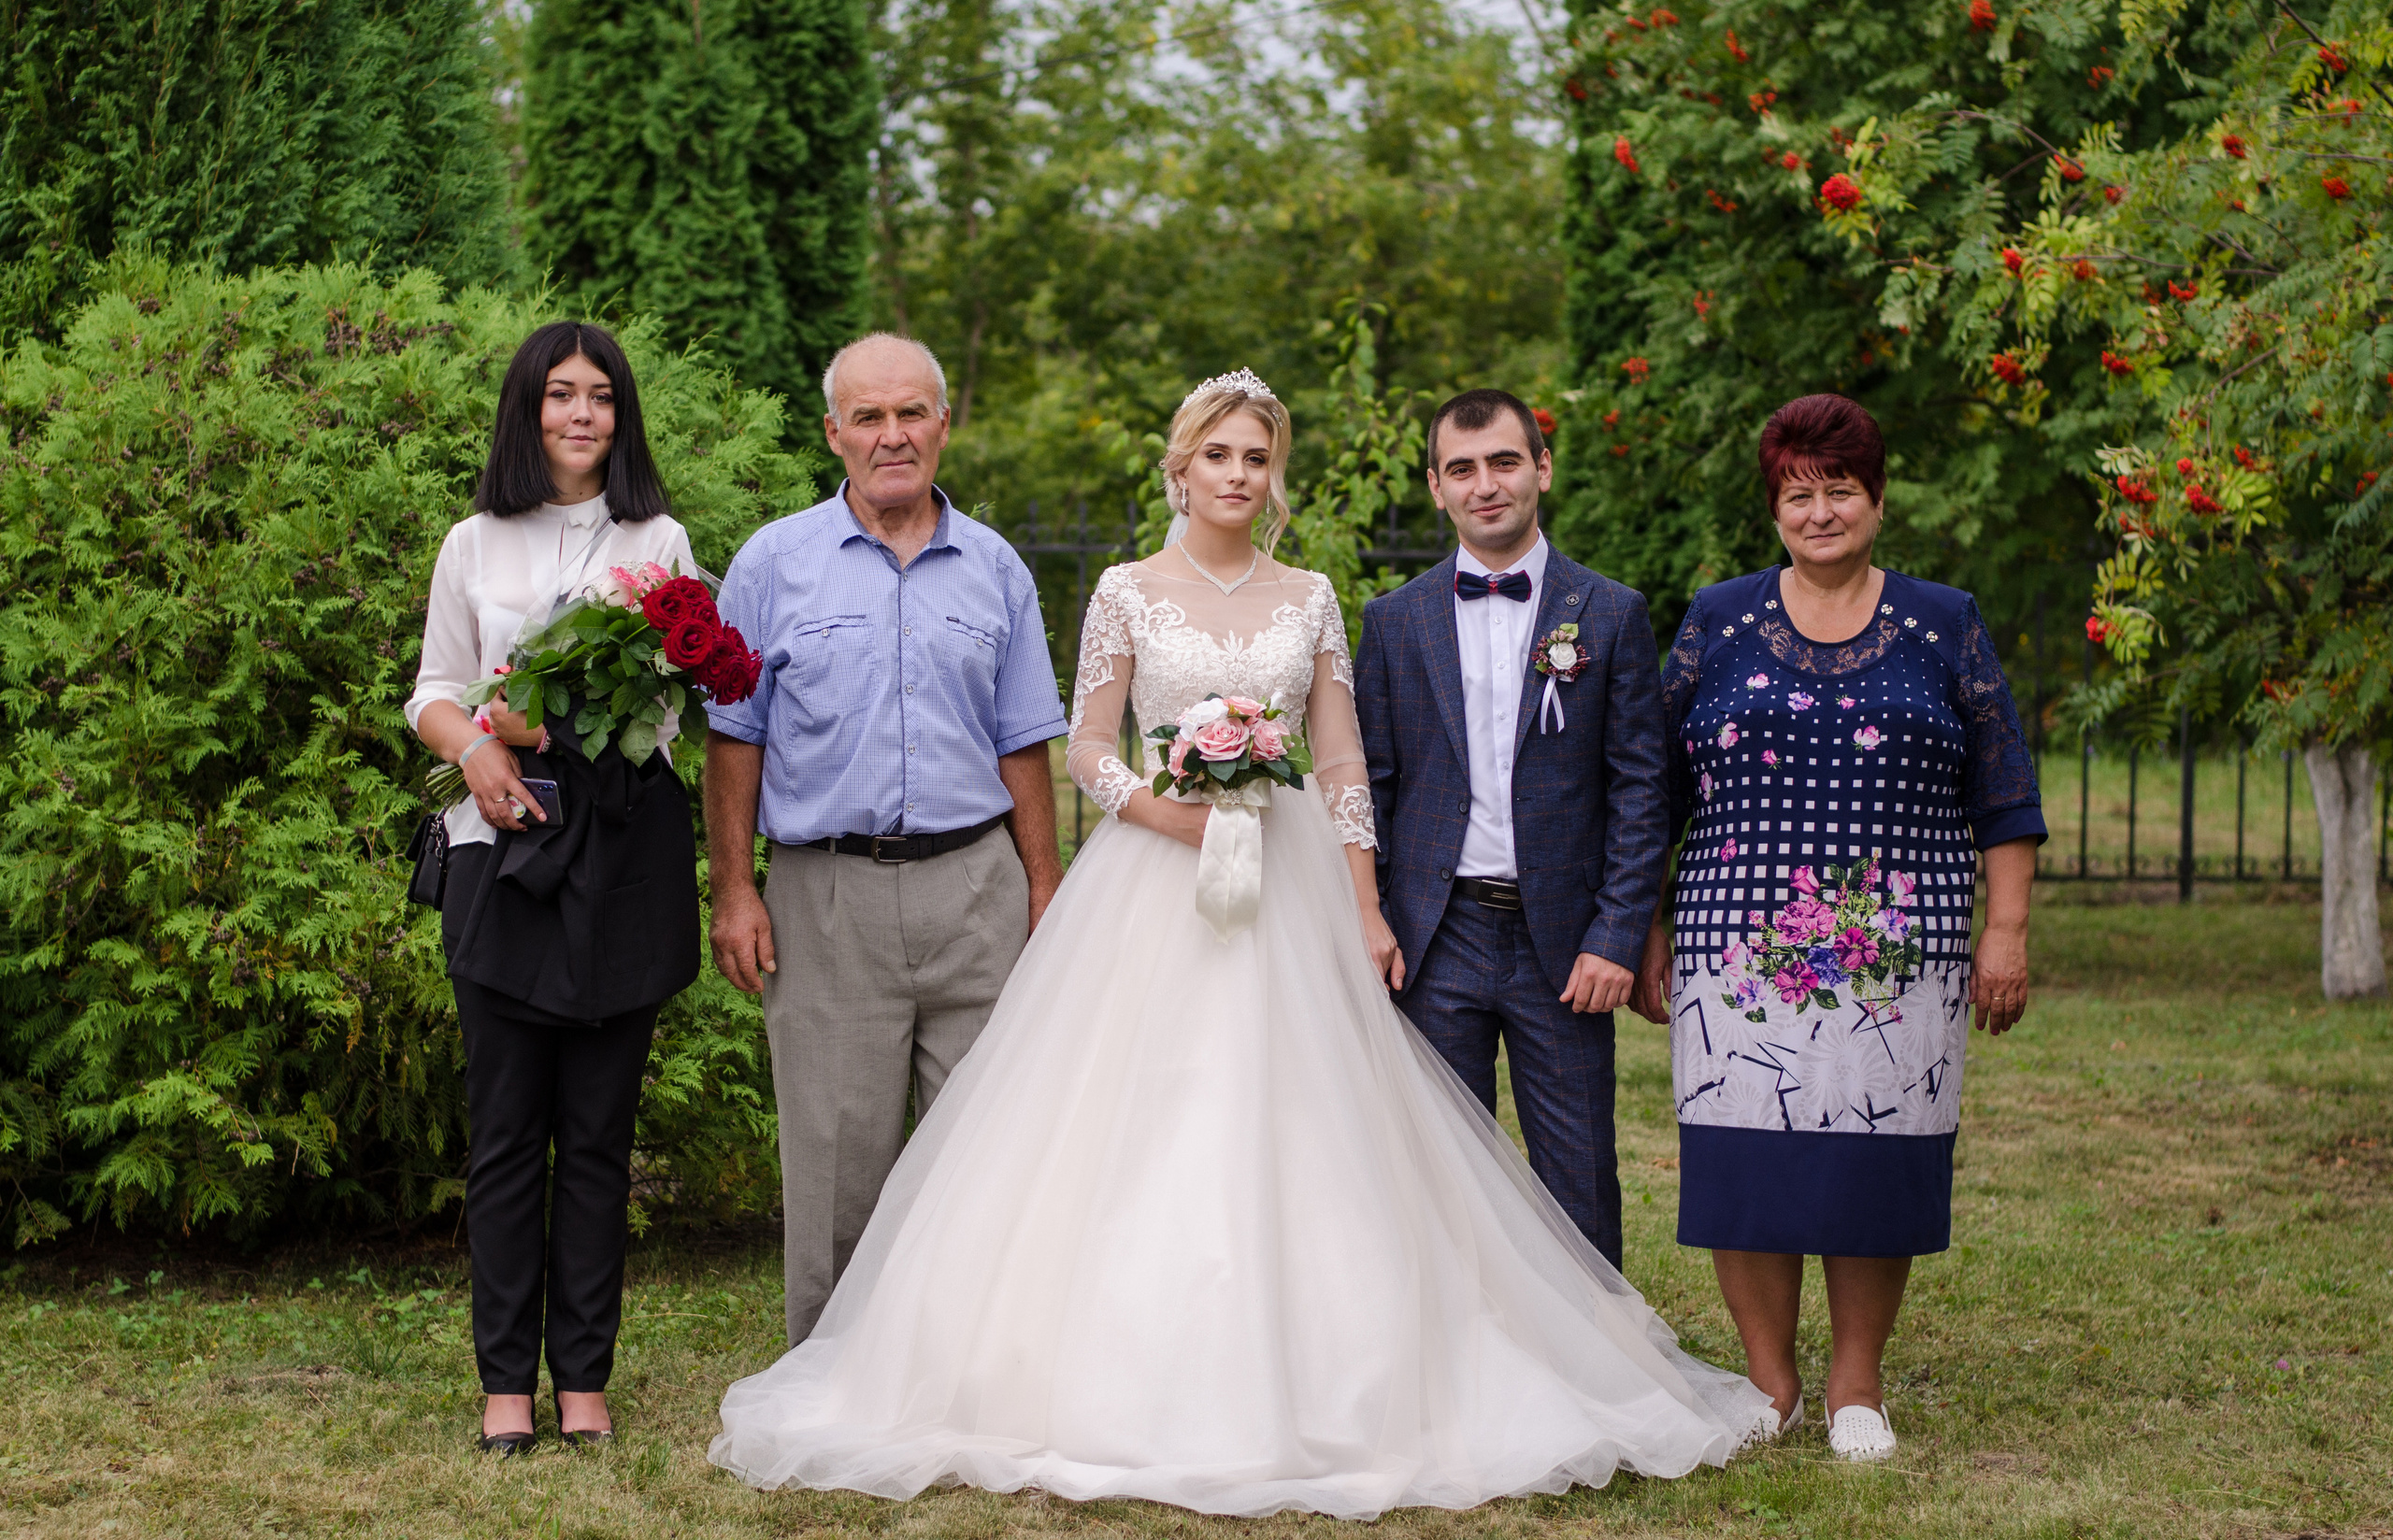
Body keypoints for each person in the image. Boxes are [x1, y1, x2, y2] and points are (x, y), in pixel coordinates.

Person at [706, 370, 1772, 1519]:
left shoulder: (1311, 596)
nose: (1236, 475)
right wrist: (1168, 811)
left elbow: (1345, 764)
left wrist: (1362, 904)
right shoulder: (1122, 590)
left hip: (1289, 886)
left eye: (1256, 459)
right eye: (1217, 455)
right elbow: (1088, 746)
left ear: (1275, 478)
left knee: (1304, 1114)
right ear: (1180, 467)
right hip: (1153, 888)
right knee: (1137, 1113)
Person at [1628, 392, 2044, 1462]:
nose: (1818, 512)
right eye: (1796, 493)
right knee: (1742, 1158)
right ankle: (1770, 1384)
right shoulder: (1715, 617)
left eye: (1839, 490)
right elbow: (1652, 789)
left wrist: (2007, 931)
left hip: (1900, 952)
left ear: (1876, 498)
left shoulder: (1942, 619)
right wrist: (1646, 922)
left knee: (1876, 1156)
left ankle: (1855, 1385)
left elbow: (2004, 790)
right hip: (1735, 945)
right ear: (1773, 505)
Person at [703, 333, 1068, 1349]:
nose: (892, 434)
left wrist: (1045, 892)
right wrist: (735, 889)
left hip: (976, 893)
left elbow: (1024, 740)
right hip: (826, 900)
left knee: (991, 1150)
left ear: (945, 426)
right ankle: (829, 1375)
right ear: (834, 433)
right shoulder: (772, 564)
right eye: (868, 416)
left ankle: (981, 1371)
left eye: (912, 413)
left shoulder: (997, 567)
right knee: (833, 1161)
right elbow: (733, 739)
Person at [407, 321, 703, 1453]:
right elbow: (434, 685)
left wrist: (553, 718)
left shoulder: (661, 537)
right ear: (526, 409)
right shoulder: (472, 541)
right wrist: (479, 749)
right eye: (560, 394)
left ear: (621, 418)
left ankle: (582, 1378)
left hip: (621, 853)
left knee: (595, 1134)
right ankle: (503, 1386)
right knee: (504, 1133)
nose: (582, 414)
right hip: (502, 851)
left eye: (601, 398)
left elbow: (669, 705)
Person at [1353, 388, 1668, 1275]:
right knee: (1436, 1174)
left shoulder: (1609, 614)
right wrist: (1371, 914)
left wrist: (1615, 935)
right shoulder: (1393, 619)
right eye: (1462, 469)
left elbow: (1640, 790)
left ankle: (1600, 1367)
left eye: (1502, 462)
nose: (1484, 485)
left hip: (1563, 945)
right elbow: (1370, 784)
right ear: (1435, 487)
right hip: (1432, 935)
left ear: (1542, 467)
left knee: (1579, 1178)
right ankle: (1456, 1368)